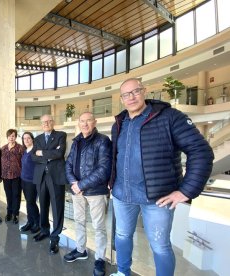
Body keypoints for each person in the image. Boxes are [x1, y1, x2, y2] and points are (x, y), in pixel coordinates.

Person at [109, 78, 214, 276]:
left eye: (136, 91)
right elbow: (117, 156)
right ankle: (123, 272)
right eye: (126, 94)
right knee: (122, 235)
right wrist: (111, 182)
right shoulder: (119, 123)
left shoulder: (170, 117)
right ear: (121, 99)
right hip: (123, 195)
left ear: (145, 91)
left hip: (157, 198)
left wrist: (186, 191)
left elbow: (201, 151)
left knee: (160, 246)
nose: (131, 97)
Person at [64, 112, 112, 276]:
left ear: (95, 122)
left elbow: (104, 169)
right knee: (79, 221)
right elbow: (68, 164)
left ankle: (100, 258)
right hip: (77, 190)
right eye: (82, 121)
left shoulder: (103, 141)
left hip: (95, 191)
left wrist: (81, 185)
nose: (85, 124)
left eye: (88, 121)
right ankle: (81, 249)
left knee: (99, 226)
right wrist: (74, 184)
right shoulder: (76, 141)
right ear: (79, 122)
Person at [31, 114, 67, 255]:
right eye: (43, 122)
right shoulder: (38, 138)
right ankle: (44, 230)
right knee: (43, 205)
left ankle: (55, 237)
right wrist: (49, 153)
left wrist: (42, 153)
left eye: (48, 121)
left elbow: (60, 153)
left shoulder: (61, 135)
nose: (46, 123)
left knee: (57, 207)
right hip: (41, 176)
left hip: (55, 176)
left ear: (53, 122)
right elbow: (34, 156)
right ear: (41, 124)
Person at [1, 129, 24, 224]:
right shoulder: (3, 148)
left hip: (17, 176)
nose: (11, 137)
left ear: (16, 137)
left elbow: (24, 161)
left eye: (13, 136)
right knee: (8, 195)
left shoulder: (20, 148)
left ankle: (16, 214)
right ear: (7, 137)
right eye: (10, 136)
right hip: (5, 176)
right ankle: (9, 213)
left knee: (16, 195)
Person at [19, 132, 40, 234]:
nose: (26, 140)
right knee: (28, 203)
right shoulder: (25, 150)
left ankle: (37, 223)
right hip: (24, 180)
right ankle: (30, 222)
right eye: (24, 138)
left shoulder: (36, 150)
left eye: (28, 138)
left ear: (32, 139)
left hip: (32, 181)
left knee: (31, 203)